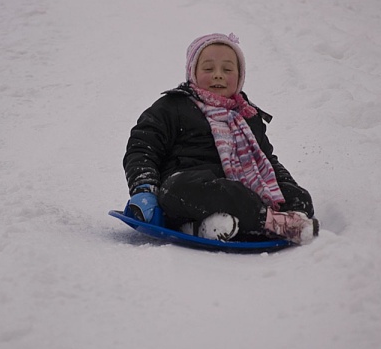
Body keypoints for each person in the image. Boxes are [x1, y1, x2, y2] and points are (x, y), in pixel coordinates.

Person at [123, 33, 319, 244]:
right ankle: (270, 222)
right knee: (175, 188)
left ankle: (207, 227)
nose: (218, 75)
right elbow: (143, 147)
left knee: (300, 198)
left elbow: (267, 161)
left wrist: (287, 188)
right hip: (192, 191)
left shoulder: (248, 116)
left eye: (227, 69)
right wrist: (144, 187)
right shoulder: (172, 107)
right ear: (193, 72)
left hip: (244, 190)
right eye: (208, 69)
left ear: (240, 76)